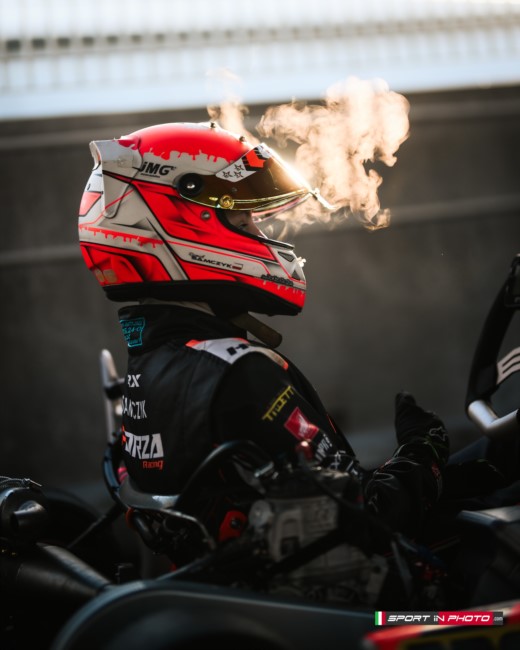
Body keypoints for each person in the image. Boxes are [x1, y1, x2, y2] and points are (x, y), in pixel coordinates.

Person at [78, 121, 452, 542]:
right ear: (181, 225)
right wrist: (422, 452)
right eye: (244, 221)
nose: (259, 234)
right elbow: (371, 517)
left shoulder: (149, 365)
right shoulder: (239, 373)